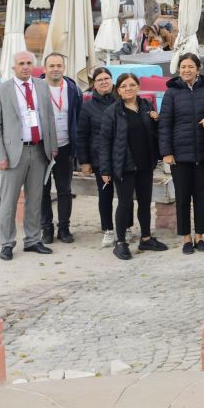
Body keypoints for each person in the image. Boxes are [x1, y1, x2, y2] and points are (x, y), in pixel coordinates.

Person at [0, 51, 57, 260]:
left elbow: (49, 117)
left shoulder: (42, 86)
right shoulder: (1, 90)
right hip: (12, 154)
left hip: (39, 150)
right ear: (14, 67)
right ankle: (7, 243)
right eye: (21, 63)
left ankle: (33, 240)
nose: (25, 67)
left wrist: (52, 145)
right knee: (8, 201)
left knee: (35, 199)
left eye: (28, 63)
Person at [97, 73, 169, 259]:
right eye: (123, 86)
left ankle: (146, 239)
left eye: (132, 85)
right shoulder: (112, 112)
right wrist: (105, 169)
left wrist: (157, 120)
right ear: (118, 90)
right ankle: (120, 243)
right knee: (125, 203)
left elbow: (154, 134)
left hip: (145, 163)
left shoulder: (146, 106)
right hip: (124, 166)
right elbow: (104, 142)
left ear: (138, 87)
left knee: (145, 202)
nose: (128, 88)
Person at [159, 52, 204, 253]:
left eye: (190, 67)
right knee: (183, 197)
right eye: (183, 67)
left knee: (202, 196)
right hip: (179, 156)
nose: (187, 70)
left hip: (203, 153)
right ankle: (186, 238)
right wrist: (166, 152)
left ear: (198, 69)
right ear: (179, 70)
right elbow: (164, 125)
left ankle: (199, 236)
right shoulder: (171, 93)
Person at [36, 52, 84, 245]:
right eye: (52, 66)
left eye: (59, 66)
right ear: (45, 68)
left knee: (64, 190)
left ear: (64, 68)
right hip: (41, 148)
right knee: (43, 190)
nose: (55, 69)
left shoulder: (73, 90)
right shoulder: (36, 88)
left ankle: (64, 228)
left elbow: (79, 118)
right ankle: (46, 228)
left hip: (65, 147)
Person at [76, 67, 119, 247]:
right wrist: (84, 161)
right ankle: (108, 229)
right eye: (99, 79)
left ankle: (126, 227)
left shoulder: (122, 100)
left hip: (123, 156)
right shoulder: (88, 107)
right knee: (105, 196)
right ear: (94, 83)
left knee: (125, 196)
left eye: (106, 78)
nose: (104, 82)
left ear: (112, 80)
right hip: (100, 158)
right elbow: (82, 135)